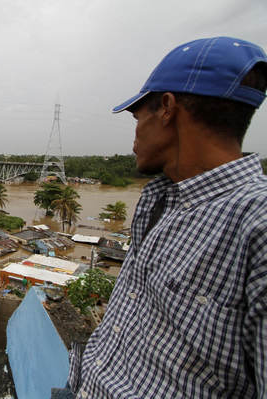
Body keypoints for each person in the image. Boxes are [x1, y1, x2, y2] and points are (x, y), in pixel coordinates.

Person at [69, 37, 267, 398]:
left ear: (166, 108)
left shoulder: (257, 225)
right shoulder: (159, 201)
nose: (134, 134)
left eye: (137, 116)